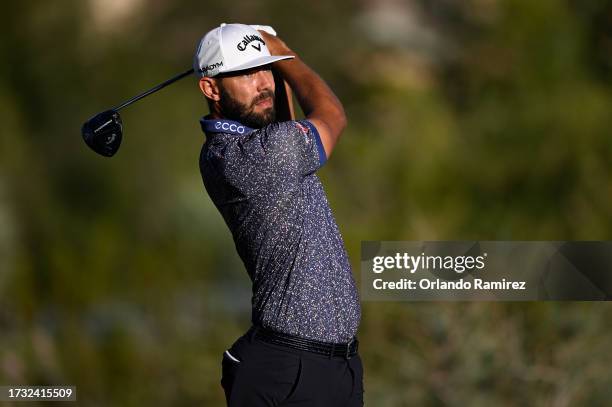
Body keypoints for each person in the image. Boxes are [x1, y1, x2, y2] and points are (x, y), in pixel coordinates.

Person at [194, 23, 363, 406]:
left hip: (337, 365)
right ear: (211, 88)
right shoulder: (242, 157)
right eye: (245, 73)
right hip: (289, 369)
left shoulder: (265, 143)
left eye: (264, 68)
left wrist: (276, 59)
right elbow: (333, 116)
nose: (263, 83)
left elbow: (284, 120)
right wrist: (286, 55)